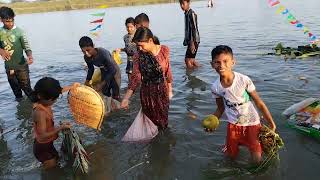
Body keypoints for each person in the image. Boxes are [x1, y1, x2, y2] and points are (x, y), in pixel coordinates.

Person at [210, 45, 276, 164]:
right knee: (230, 157)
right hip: (233, 125)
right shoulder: (215, 87)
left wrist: (271, 123)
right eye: (217, 62)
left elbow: (259, 103)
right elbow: (220, 108)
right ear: (212, 64)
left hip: (252, 123)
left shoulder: (243, 80)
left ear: (233, 62)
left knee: (257, 159)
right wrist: (213, 122)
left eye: (225, 61)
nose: (221, 65)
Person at [120, 27, 173, 130]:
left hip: (162, 91)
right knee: (150, 122)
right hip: (147, 93)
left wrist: (170, 90)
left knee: (163, 122)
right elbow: (135, 79)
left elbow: (167, 71)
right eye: (137, 46)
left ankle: (163, 142)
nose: (139, 49)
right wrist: (126, 98)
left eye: (141, 45)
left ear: (150, 40)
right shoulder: (138, 56)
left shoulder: (164, 50)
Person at [32, 77, 78, 169]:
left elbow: (59, 90)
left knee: (57, 161)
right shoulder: (40, 112)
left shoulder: (44, 100)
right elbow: (43, 135)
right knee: (51, 170)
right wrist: (60, 128)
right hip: (42, 148)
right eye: (52, 100)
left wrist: (72, 87)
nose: (54, 101)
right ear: (40, 96)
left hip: (48, 145)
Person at [0, 7, 34, 101]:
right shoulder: (0, 32)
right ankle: (21, 112)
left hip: (21, 65)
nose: (10, 23)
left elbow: (26, 46)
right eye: (7, 21)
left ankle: (34, 108)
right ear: (1, 20)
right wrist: (1, 51)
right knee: (17, 93)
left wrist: (30, 56)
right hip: (9, 67)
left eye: (12, 20)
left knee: (27, 89)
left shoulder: (19, 32)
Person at [79, 36, 121, 100]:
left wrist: (101, 84)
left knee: (115, 93)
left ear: (93, 46)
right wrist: (87, 81)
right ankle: (108, 108)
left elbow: (112, 70)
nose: (86, 53)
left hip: (114, 72)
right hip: (104, 71)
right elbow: (91, 69)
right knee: (105, 92)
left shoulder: (103, 53)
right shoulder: (86, 57)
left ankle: (119, 105)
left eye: (88, 50)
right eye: (83, 51)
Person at [179, 0, 200, 69]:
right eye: (180, 4)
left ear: (188, 3)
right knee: (191, 60)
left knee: (187, 60)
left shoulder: (191, 14)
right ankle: (199, 70)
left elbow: (194, 28)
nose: (181, 6)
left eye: (183, 4)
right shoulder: (186, 13)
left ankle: (191, 77)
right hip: (191, 40)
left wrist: (192, 42)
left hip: (194, 40)